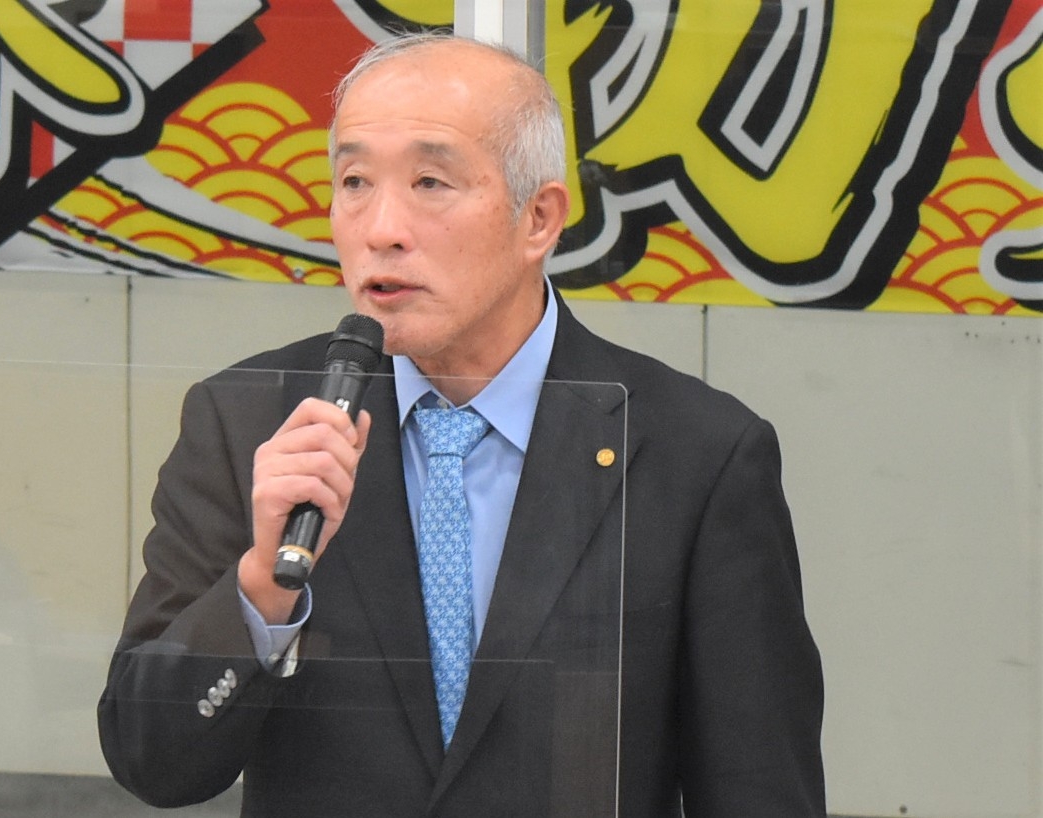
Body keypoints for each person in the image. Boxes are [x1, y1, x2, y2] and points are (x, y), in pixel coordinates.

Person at [98, 32, 825, 817]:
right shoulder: (251, 422)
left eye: (430, 182)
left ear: (538, 219)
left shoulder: (696, 454)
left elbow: (759, 788)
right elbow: (152, 761)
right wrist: (260, 591)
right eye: (354, 181)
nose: (381, 228)